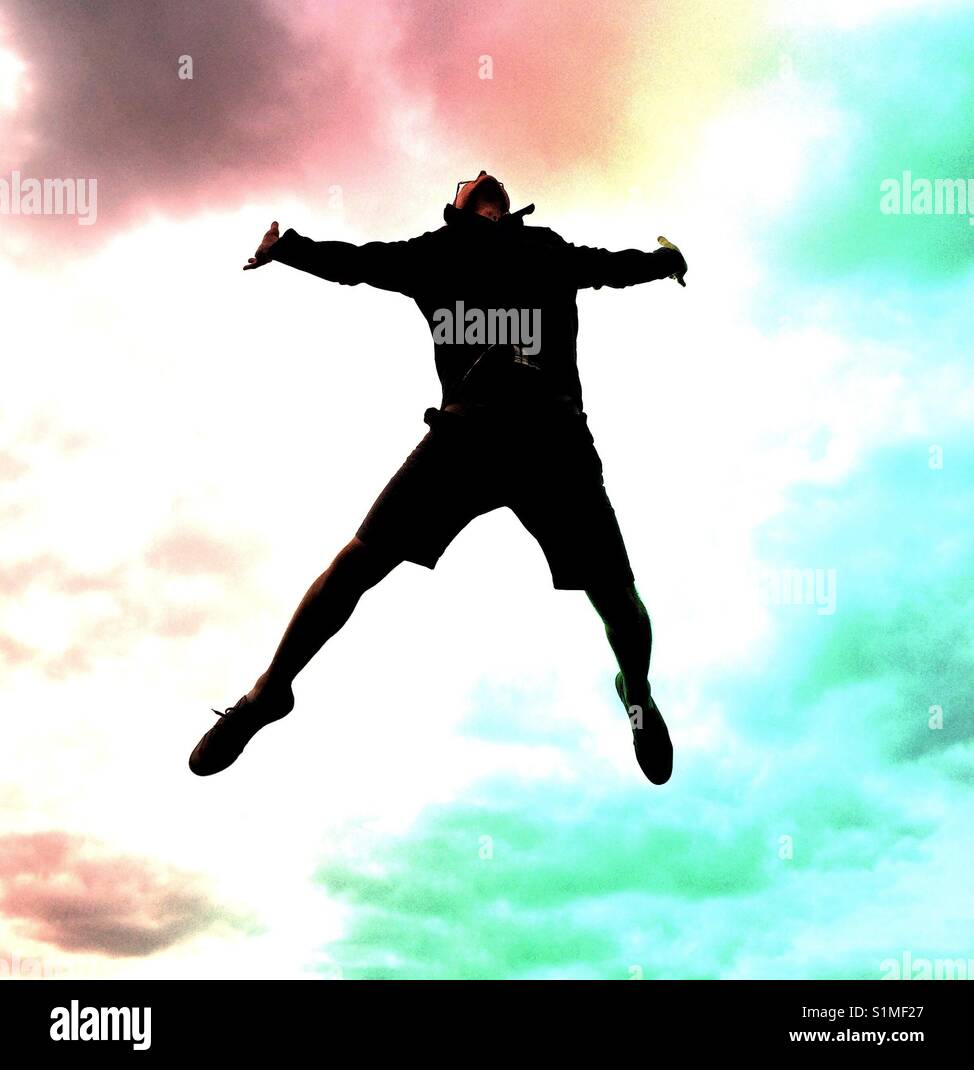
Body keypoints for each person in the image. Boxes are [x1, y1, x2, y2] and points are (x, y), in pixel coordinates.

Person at [189, 172, 687, 784]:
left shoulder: (547, 250)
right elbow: (357, 264)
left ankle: (635, 689)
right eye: (468, 183)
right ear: (453, 205)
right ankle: (268, 693)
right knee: (356, 564)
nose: (484, 180)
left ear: (511, 206)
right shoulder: (432, 253)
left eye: (493, 182)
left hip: (553, 441)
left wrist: (665, 261)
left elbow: (612, 266)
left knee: (619, 603)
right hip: (463, 437)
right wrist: (287, 247)